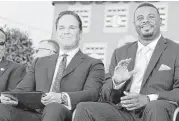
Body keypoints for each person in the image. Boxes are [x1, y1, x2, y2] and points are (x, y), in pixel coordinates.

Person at [74, 2, 179, 121]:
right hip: (123, 112)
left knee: (154, 107)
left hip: (155, 109)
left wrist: (148, 98)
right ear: (135, 25)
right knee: (84, 108)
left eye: (151, 17)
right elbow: (105, 95)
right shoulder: (120, 52)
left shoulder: (175, 50)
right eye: (140, 18)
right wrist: (116, 83)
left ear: (160, 21)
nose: (145, 21)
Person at [0, 11, 105, 121]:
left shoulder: (94, 64)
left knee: (53, 107)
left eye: (72, 28)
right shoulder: (39, 62)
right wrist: (10, 97)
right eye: (61, 28)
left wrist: (61, 98)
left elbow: (92, 93)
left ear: (80, 33)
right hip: (35, 114)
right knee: (2, 108)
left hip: (66, 114)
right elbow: (21, 90)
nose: (66, 32)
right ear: (56, 33)